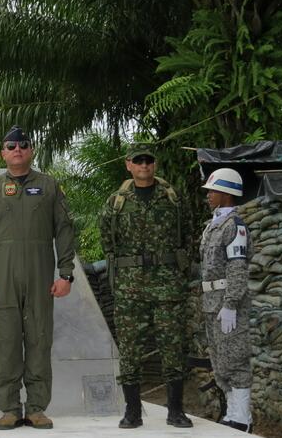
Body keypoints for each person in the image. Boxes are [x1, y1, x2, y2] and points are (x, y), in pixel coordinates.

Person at [0, 126, 75, 430]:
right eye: (11, 146)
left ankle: (37, 408)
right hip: (3, 278)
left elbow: (65, 230)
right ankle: (10, 408)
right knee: (7, 342)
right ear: (2, 153)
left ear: (31, 151)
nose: (17, 149)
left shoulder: (49, 186)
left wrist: (65, 274)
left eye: (23, 145)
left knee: (40, 339)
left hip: (41, 275)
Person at [99, 143, 193, 429]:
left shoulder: (173, 198)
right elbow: (107, 240)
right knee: (129, 349)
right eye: (138, 161)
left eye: (148, 161)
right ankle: (132, 412)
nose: (144, 166)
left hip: (168, 285)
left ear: (154, 164)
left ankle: (176, 410)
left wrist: (179, 270)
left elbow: (187, 235)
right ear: (128, 164)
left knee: (172, 346)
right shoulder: (116, 201)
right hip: (130, 287)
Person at [199, 168, 253, 432]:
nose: (208, 195)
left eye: (213, 190)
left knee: (235, 359)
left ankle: (242, 418)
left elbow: (237, 267)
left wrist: (231, 304)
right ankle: (232, 415)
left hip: (227, 302)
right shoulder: (214, 225)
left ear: (227, 193)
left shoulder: (234, 226)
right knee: (221, 361)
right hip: (212, 301)